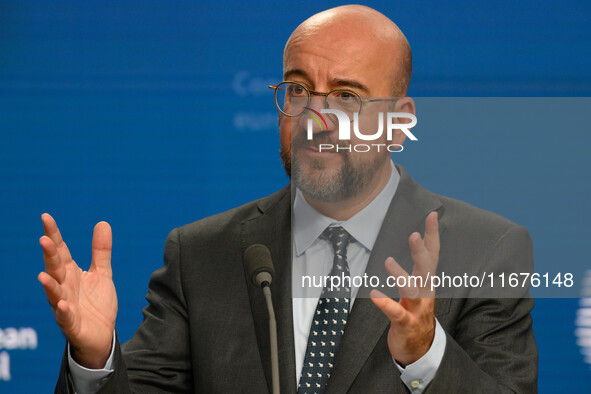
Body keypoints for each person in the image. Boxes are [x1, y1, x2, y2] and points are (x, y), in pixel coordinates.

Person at [38, 5, 538, 393]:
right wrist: (95, 356)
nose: (315, 119)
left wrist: (426, 357)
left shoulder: (484, 250)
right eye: (298, 90)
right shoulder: (201, 255)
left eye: (346, 96)